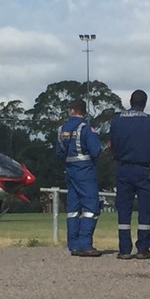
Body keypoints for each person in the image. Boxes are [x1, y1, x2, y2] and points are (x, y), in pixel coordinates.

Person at [109, 89, 150, 259]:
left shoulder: (117, 120)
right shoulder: (149, 120)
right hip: (143, 170)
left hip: (123, 169)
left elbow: (110, 144)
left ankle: (124, 249)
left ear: (130, 102)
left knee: (124, 209)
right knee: (145, 208)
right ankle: (143, 248)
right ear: (144, 103)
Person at [54, 98, 103, 257]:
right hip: (85, 170)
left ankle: (73, 245)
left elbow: (59, 153)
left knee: (73, 208)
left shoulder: (62, 129)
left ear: (72, 110)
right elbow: (96, 151)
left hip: (69, 170)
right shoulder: (86, 129)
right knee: (91, 206)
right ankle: (85, 244)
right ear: (83, 111)